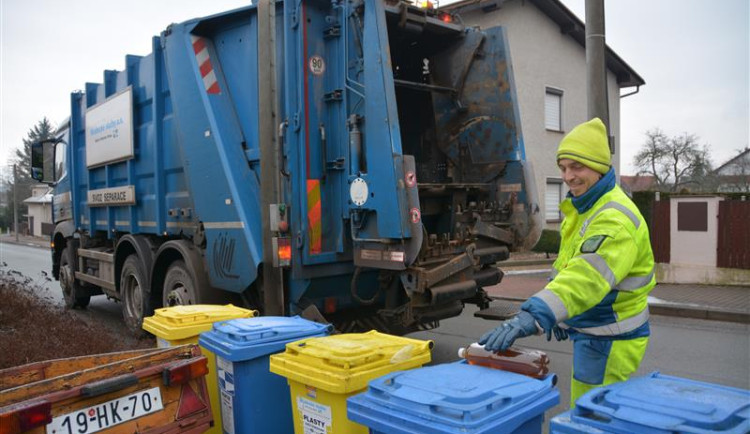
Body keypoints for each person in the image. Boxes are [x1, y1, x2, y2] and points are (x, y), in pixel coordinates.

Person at [479, 118, 656, 406]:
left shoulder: (614, 218)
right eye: (563, 167)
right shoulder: (587, 208)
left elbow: (585, 279)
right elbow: (569, 269)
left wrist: (537, 315)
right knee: (589, 410)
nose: (567, 176)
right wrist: (565, 315)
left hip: (610, 338)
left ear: (599, 167)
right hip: (597, 331)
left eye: (577, 166)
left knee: (592, 416)